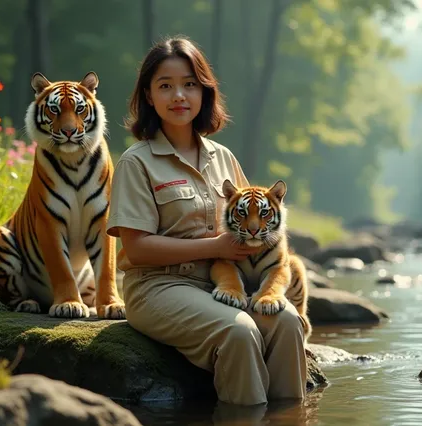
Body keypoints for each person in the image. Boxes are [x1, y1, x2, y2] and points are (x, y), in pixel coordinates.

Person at [105, 36, 308, 407]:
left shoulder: (223, 157)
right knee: (240, 332)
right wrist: (215, 247)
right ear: (149, 96)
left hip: (225, 282)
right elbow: (136, 248)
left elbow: (257, 224)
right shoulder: (137, 162)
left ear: (204, 92)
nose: (178, 95)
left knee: (288, 322)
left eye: (189, 84)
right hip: (158, 286)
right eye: (165, 86)